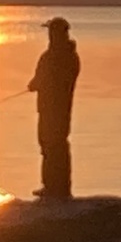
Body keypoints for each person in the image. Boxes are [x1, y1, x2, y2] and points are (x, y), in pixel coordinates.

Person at [27, 17, 81, 200]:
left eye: (51, 31)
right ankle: (56, 187)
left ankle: (56, 189)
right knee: (53, 146)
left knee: (53, 146)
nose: (49, 35)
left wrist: (35, 84)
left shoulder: (53, 56)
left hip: (54, 110)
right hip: (57, 109)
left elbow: (42, 80)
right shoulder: (70, 56)